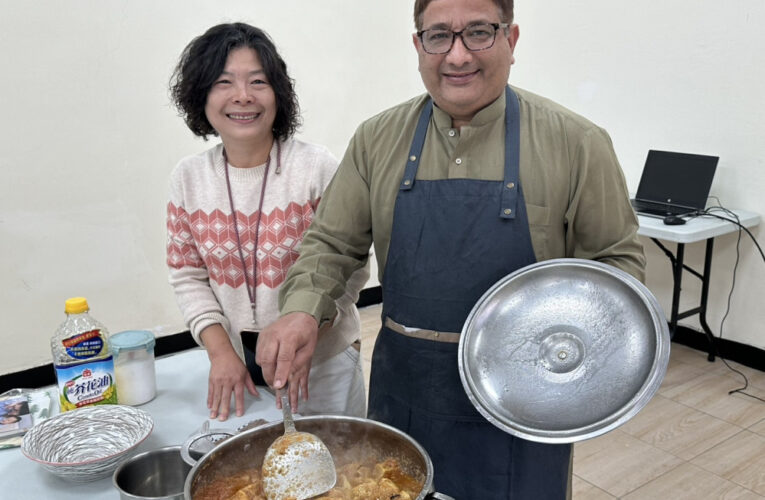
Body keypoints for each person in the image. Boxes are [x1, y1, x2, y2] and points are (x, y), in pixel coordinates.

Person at [257, 0, 645, 497]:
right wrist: (303, 312)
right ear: (418, 46)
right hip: (409, 389)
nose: (457, 56)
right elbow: (331, 243)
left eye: (479, 32)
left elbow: (617, 266)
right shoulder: (377, 139)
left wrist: (577, 369)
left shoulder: (578, 142)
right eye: (439, 36)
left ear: (513, 39)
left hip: (525, 403)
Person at [166, 22, 369, 422]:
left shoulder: (316, 168)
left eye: (258, 81)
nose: (242, 96)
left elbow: (353, 268)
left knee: (343, 473)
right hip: (239, 369)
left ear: (278, 93)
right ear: (200, 95)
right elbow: (187, 275)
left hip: (322, 363)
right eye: (223, 82)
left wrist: (307, 333)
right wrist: (221, 352)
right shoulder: (187, 179)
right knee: (254, 475)